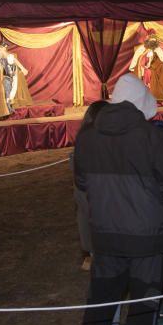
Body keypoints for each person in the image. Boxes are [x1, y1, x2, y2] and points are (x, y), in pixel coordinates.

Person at [68, 73, 163, 325]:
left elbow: (81, 181)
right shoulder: (151, 136)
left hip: (105, 235)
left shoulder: (88, 136)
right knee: (144, 305)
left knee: (100, 303)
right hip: (147, 238)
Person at [73, 100, 109, 271]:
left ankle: (91, 253)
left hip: (85, 189)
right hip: (95, 190)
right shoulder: (101, 138)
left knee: (85, 214)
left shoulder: (82, 137)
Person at [129, 31, 163, 101]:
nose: (152, 45)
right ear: (147, 41)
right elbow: (137, 61)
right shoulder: (141, 49)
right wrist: (145, 60)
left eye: (154, 42)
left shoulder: (158, 49)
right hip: (143, 68)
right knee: (149, 72)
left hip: (155, 68)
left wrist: (159, 64)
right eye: (151, 42)